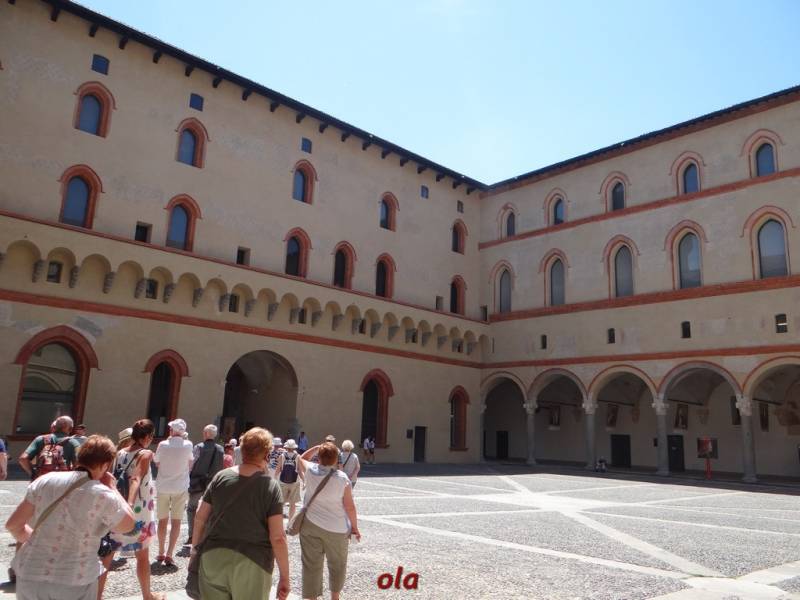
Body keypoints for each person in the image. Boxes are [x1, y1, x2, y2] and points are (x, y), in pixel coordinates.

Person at [5, 435, 136, 600]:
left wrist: (35, 539)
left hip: (30, 573)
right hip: (75, 578)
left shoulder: (45, 480)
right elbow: (128, 525)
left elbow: (13, 525)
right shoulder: (103, 495)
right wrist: (113, 488)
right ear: (105, 465)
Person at [192, 427, 290, 599]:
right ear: (267, 455)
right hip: (252, 561)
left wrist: (194, 553)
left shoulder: (220, 477)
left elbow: (200, 517)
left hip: (213, 556)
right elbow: (278, 537)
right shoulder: (270, 486)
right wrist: (285, 576)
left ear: (242, 450)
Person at [100, 419, 162, 600]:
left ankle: (96, 595)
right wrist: (130, 504)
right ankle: (147, 595)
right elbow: (135, 478)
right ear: (148, 436)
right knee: (142, 554)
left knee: (107, 554)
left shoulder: (120, 453)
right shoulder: (145, 453)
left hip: (116, 505)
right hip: (139, 509)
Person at [297, 442, 361, 600]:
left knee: (311, 564)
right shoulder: (342, 478)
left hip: (311, 525)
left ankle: (312, 597)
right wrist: (354, 527)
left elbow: (301, 458)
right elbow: (350, 507)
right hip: (337, 528)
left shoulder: (311, 470)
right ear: (336, 459)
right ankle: (335, 596)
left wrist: (316, 447)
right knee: (338, 564)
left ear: (318, 457)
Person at [153, 418, 194, 566]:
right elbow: (190, 462)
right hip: (180, 486)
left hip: (163, 486)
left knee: (162, 520)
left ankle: (161, 551)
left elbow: (157, 461)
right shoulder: (188, 445)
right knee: (176, 521)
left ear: (171, 430)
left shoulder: (163, 444)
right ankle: (170, 553)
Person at [187, 424, 224, 542]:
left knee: (192, 508)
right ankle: (206, 534)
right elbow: (220, 467)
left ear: (206, 434)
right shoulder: (220, 449)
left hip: (197, 482)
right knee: (210, 510)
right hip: (212, 483)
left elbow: (191, 465)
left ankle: (192, 535)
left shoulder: (199, 447)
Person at [276, 439, 304, 521]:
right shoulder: (298, 456)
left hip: (283, 482)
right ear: (294, 447)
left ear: (286, 447)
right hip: (295, 482)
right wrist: (304, 480)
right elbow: (300, 470)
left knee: (281, 503)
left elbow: (278, 469)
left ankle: (280, 520)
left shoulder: (282, 456)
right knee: (292, 503)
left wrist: (274, 478)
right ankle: (290, 521)